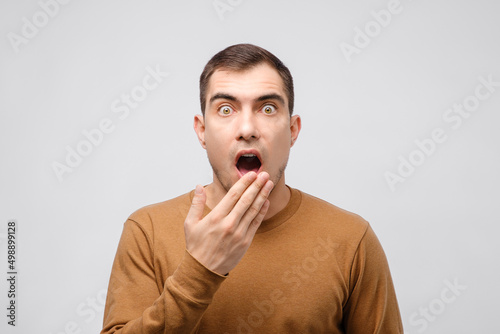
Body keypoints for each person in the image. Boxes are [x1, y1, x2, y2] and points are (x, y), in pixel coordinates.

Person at [101, 43, 403, 333]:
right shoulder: (147, 231)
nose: (247, 129)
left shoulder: (352, 239)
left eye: (268, 109)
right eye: (225, 109)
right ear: (202, 130)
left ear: (293, 129)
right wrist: (200, 271)